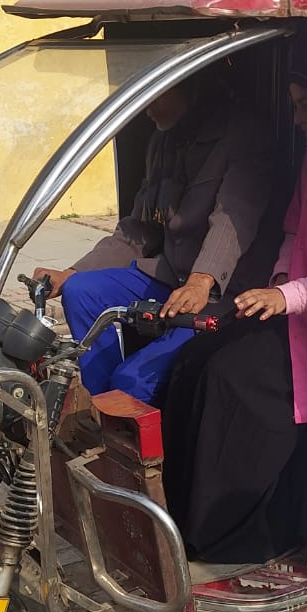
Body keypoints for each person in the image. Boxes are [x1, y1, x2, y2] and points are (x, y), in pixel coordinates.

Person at [162, 35, 307, 569]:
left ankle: (243, 532)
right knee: (192, 361)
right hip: (293, 310)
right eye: (295, 106)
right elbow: (292, 234)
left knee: (229, 377)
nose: (299, 119)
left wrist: (287, 295)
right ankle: (179, 517)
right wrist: (278, 281)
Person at [35, 75, 275, 406]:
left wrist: (201, 281)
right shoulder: (162, 141)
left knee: (132, 380)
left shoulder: (243, 134)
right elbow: (140, 227)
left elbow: (232, 220)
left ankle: (123, 405)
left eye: (157, 94)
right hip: (172, 275)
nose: (147, 106)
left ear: (190, 85)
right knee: (81, 291)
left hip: (223, 290)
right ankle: (105, 406)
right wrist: (71, 273)